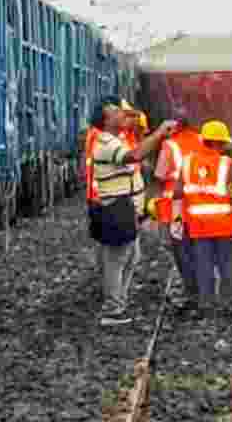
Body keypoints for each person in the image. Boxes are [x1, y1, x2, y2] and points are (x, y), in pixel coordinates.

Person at [89, 97, 180, 326]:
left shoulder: (116, 140)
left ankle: (118, 301)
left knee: (130, 256)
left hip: (125, 209)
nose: (122, 115)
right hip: (116, 209)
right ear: (106, 121)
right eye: (116, 113)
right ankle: (113, 309)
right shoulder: (107, 144)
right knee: (117, 258)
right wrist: (159, 133)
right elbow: (136, 156)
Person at [178, 119, 232, 318]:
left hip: (198, 225)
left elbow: (178, 191)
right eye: (223, 143)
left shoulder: (187, 161)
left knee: (203, 265)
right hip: (224, 224)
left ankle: (205, 305)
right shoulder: (227, 163)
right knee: (228, 265)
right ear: (216, 142)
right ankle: (228, 305)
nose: (225, 146)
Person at [155, 113, 202, 305]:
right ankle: (204, 287)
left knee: (181, 249)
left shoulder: (169, 145)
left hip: (176, 207)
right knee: (200, 247)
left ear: (174, 127)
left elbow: (160, 175)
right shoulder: (202, 140)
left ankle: (191, 291)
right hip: (200, 203)